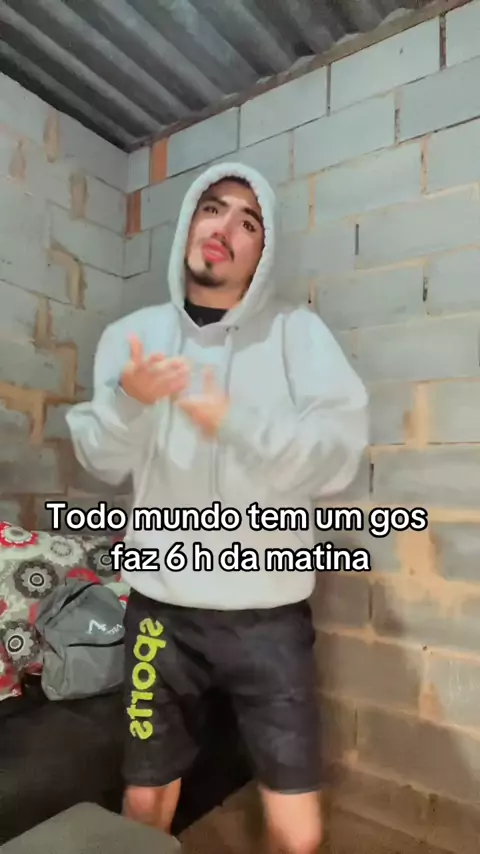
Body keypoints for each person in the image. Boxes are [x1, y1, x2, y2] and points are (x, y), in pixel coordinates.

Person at [66, 162, 368, 853]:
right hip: (160, 613)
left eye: (248, 220)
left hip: (269, 619)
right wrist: (130, 402)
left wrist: (235, 423)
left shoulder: (298, 335)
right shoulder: (132, 336)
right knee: (144, 800)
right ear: (189, 224)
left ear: (264, 251)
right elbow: (101, 460)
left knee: (296, 825)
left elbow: (338, 459)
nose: (225, 227)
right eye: (213, 207)